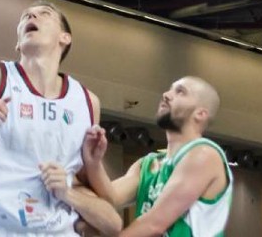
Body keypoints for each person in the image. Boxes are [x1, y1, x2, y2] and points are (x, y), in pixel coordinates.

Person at [0, 1, 121, 236]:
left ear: (65, 38)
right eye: (26, 15)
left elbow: (103, 200)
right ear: (18, 43)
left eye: (44, 14)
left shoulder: (87, 102)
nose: (31, 16)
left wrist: (92, 164)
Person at [81, 76, 233, 237]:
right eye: (170, 89)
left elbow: (154, 224)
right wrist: (93, 163)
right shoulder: (147, 164)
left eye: (180, 92)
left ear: (200, 114)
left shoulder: (204, 155)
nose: (166, 94)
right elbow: (110, 198)